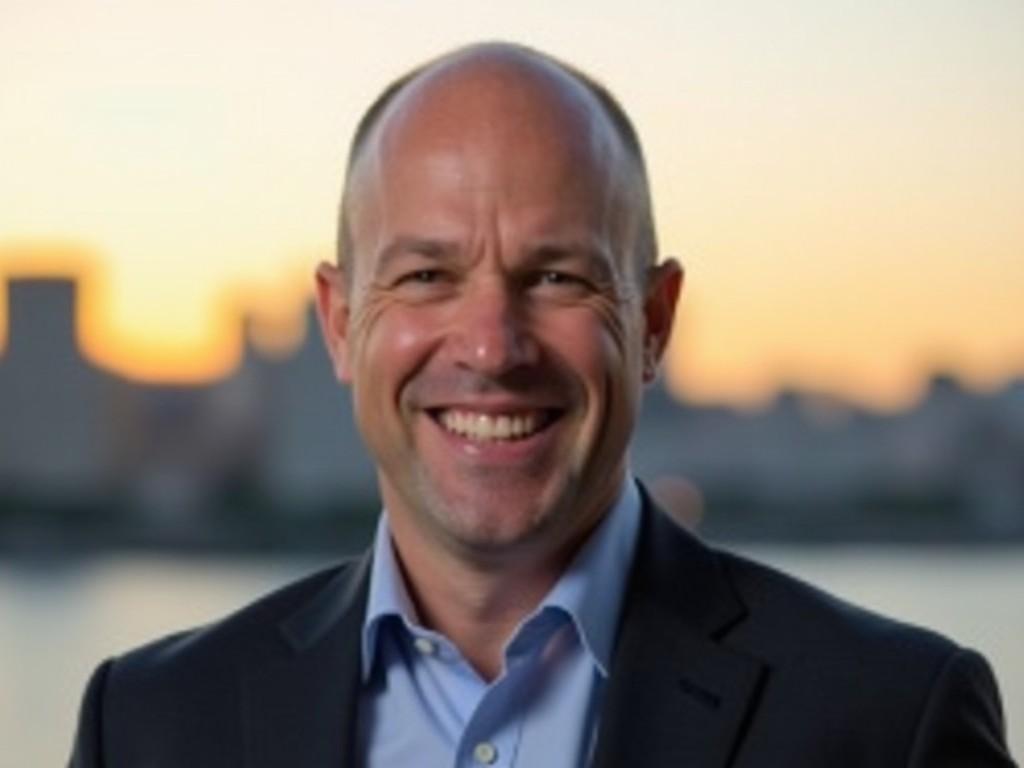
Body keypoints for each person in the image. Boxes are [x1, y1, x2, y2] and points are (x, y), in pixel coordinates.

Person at [69, 42, 1015, 767]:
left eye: (557, 276)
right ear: (339, 320)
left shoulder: (892, 723)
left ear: (653, 321)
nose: (491, 346)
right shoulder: (152, 726)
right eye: (428, 274)